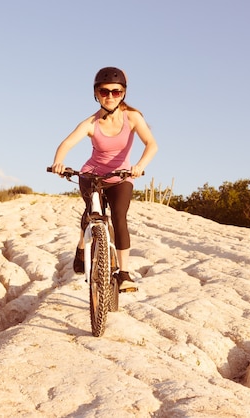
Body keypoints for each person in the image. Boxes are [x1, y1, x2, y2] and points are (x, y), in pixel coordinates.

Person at [50, 66, 158, 291]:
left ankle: (124, 274)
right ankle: (82, 248)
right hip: (92, 174)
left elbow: (151, 144)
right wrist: (59, 162)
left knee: (119, 217)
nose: (110, 96)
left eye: (116, 92)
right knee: (92, 212)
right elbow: (67, 143)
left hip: (121, 176)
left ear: (124, 93)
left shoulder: (133, 117)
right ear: (96, 94)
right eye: (104, 91)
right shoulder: (91, 123)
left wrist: (138, 166)